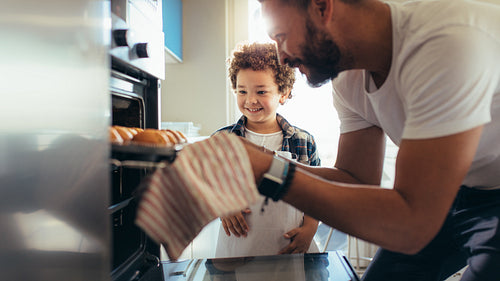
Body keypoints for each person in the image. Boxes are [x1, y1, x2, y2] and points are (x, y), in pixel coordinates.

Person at [233, 0, 499, 280]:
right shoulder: (348, 79)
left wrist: (269, 172)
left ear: (322, 7)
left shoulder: (445, 43)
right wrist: (260, 161)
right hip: (452, 189)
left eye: (281, 37)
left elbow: (412, 226)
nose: (282, 57)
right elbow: (354, 177)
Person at [214, 42, 321, 258]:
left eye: (261, 91)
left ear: (283, 93)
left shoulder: (303, 141)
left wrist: (310, 229)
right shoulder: (222, 140)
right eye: (242, 91)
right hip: (238, 249)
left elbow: (316, 194)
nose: (250, 100)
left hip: (289, 247)